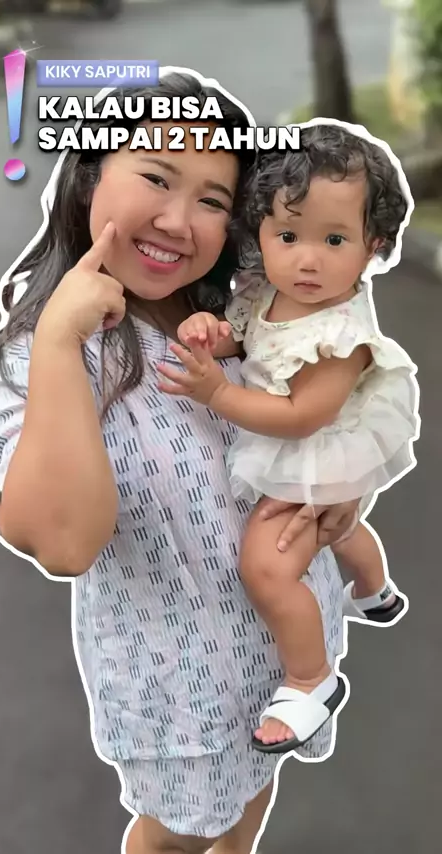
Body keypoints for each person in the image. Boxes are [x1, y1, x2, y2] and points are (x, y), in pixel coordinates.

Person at [0, 74, 359, 854]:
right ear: (88, 178)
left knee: (252, 793)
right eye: (155, 177)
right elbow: (62, 542)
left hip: (285, 649)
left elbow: (323, 410)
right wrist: (60, 341)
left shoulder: (244, 311)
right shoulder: (29, 359)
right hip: (179, 689)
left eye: (213, 200)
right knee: (177, 837)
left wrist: (343, 490)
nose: (179, 222)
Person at [157, 123, 419, 758]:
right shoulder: (267, 289)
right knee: (339, 528)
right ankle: (375, 594)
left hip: (317, 445)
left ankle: (311, 680)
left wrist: (217, 395)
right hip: (309, 448)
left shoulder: (340, 335)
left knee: (268, 566)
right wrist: (213, 334)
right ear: (262, 232)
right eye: (288, 236)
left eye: (335, 240)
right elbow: (248, 336)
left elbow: (303, 415)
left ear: (373, 245)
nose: (308, 260)